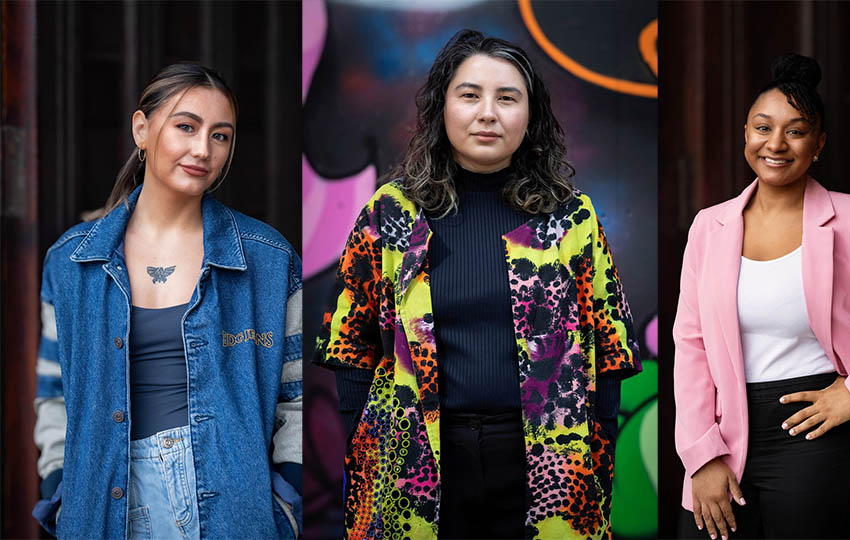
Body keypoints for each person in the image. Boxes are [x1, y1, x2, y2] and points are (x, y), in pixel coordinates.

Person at [315, 29, 640, 540]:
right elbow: (349, 342)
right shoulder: (392, 212)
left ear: (530, 115)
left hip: (548, 460)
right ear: (442, 107)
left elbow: (610, 347)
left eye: (507, 98)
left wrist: (596, 450)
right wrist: (364, 441)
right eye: (469, 95)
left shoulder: (571, 218)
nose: (487, 113)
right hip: (412, 457)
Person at [673, 53, 850, 540]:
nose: (776, 144)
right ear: (746, 133)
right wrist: (701, 455)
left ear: (818, 143)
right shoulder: (710, 225)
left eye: (796, 131)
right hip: (725, 432)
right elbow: (691, 343)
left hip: (814, 431)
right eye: (763, 127)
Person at [32, 63, 303, 539]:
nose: (203, 149)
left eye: (221, 136)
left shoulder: (267, 260)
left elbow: (296, 398)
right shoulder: (71, 262)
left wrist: (283, 502)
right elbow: (53, 393)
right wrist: (60, 486)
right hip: (101, 505)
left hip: (231, 509)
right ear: (142, 129)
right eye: (186, 127)